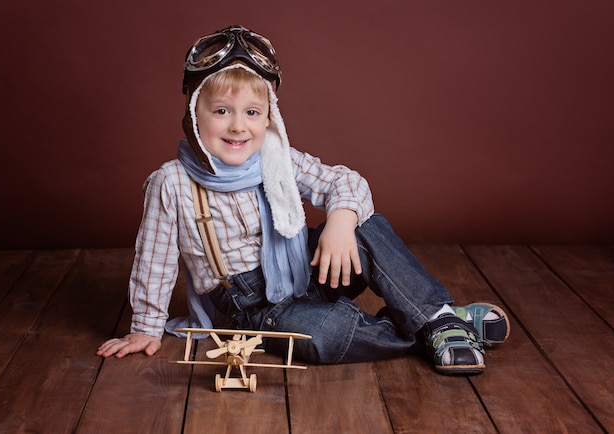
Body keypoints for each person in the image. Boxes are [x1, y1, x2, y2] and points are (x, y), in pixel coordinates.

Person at [97, 25, 510, 375]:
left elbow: (346, 182)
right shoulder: (171, 183)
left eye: (253, 113)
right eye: (221, 111)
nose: (239, 126)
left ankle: (434, 315)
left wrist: (341, 223)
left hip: (307, 271)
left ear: (270, 116)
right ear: (194, 114)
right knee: (322, 336)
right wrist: (147, 326)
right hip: (255, 309)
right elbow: (155, 260)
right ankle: (431, 328)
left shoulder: (277, 159)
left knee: (365, 224)